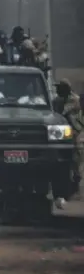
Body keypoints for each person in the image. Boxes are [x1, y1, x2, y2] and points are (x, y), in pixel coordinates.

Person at [53, 78, 83, 209]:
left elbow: (66, 113)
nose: (57, 90)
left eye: (59, 88)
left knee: (74, 159)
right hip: (61, 132)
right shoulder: (57, 100)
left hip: (74, 133)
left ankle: (74, 185)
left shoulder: (74, 100)